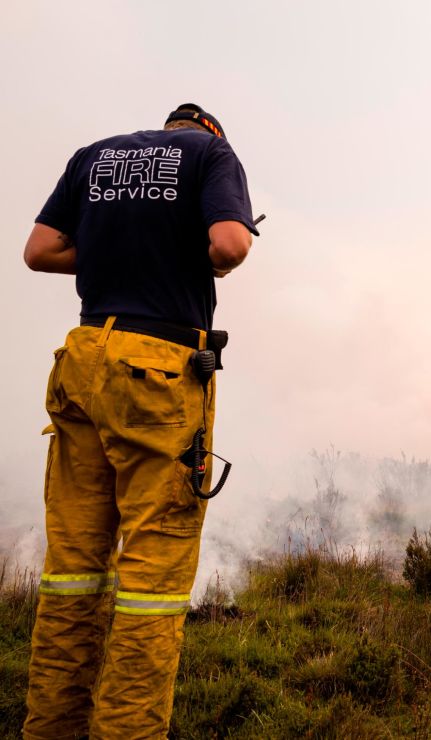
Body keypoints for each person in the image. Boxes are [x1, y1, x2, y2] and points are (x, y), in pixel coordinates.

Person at [22, 104, 257, 739]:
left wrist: (108, 253)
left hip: (83, 359)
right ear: (211, 132)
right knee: (152, 580)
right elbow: (230, 243)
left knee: (72, 569)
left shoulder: (93, 154)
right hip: (157, 373)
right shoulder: (213, 156)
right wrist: (196, 249)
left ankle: (49, 728)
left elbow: (39, 252)